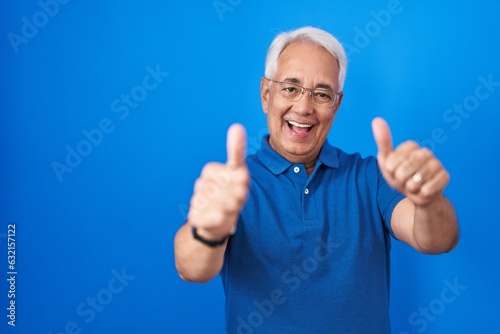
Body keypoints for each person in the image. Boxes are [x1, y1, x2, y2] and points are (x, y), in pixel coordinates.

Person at [174, 26, 459, 333]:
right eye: (290, 88)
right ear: (266, 94)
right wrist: (208, 231)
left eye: (322, 94)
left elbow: (437, 240)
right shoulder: (234, 186)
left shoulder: (371, 176)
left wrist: (429, 201)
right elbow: (191, 268)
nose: (304, 107)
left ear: (336, 105)